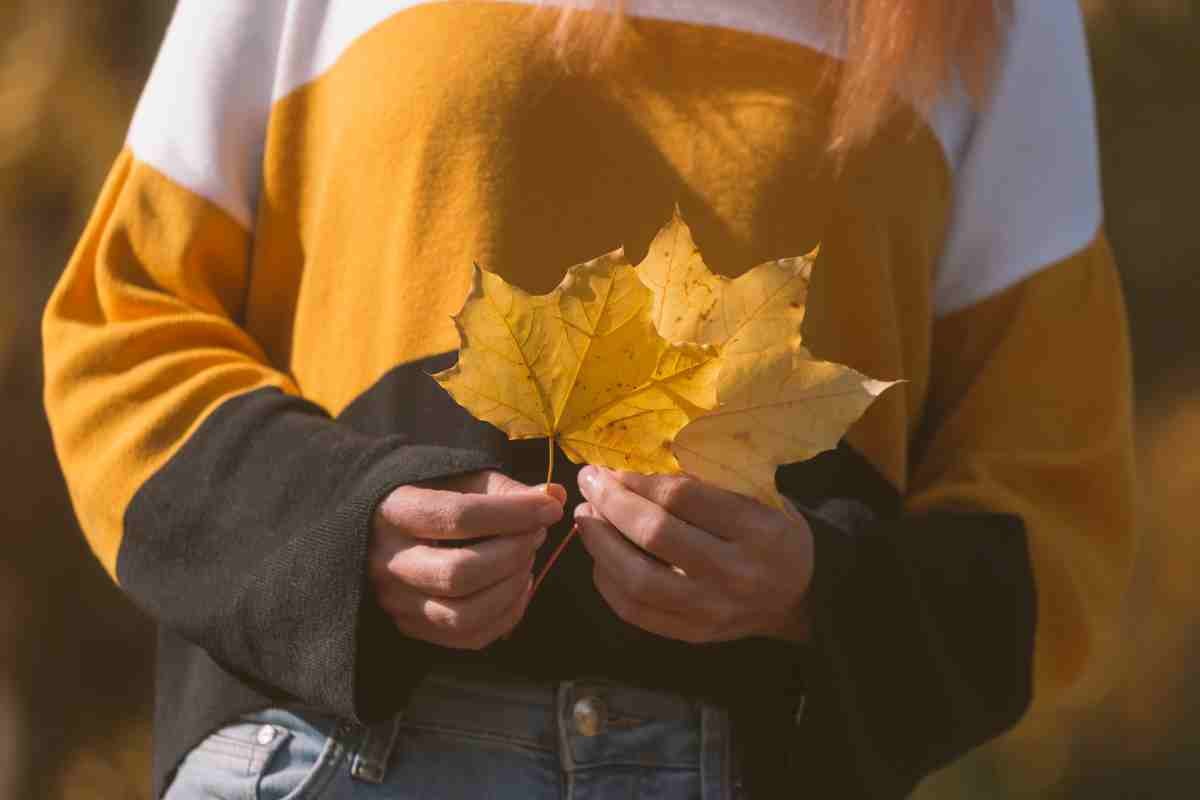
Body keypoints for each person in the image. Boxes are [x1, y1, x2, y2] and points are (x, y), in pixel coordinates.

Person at [42, 1, 1135, 797]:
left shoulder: (1001, 20)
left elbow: (1058, 509)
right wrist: (341, 529)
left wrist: (817, 586)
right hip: (329, 749)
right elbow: (117, 327)